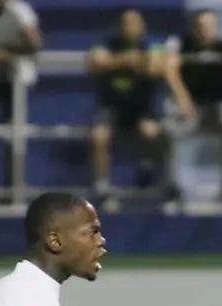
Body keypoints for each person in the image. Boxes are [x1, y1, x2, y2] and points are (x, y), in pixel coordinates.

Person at [87, 8, 191, 208]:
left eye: (134, 23)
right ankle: (101, 186)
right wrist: (130, 60)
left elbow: (153, 66)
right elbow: (95, 62)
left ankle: (153, 170)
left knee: (152, 133)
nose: (129, 27)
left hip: (142, 106)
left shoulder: (151, 44)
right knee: (98, 136)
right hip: (111, 105)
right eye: (125, 23)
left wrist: (115, 61)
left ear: (142, 26)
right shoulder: (107, 43)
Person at [168, 8, 222, 202]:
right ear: (194, 28)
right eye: (200, 26)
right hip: (192, 107)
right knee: (169, 132)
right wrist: (182, 97)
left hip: (219, 106)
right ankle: (173, 185)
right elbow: (169, 66)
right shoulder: (183, 46)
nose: (205, 30)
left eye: (209, 26)